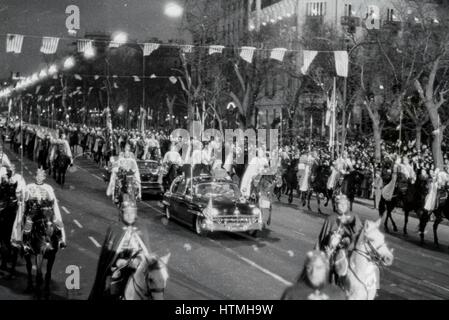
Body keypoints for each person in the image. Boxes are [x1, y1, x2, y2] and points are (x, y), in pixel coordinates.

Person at [315, 194, 363, 285]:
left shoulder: (354, 216)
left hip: (349, 250)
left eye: (344, 204)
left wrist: (350, 240)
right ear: (336, 206)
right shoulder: (331, 218)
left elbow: (359, 233)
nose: (342, 206)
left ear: (348, 204)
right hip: (332, 251)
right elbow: (323, 236)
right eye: (340, 204)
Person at [20, 168, 67, 252]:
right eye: (38, 176)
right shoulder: (29, 186)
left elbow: (52, 200)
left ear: (44, 178)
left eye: (41, 176)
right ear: (35, 176)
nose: (39, 178)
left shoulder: (48, 187)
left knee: (57, 222)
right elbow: (25, 199)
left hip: (45, 210)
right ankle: (25, 244)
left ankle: (60, 241)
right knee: (28, 224)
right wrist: (26, 196)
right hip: (34, 210)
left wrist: (46, 200)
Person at [281, 250, 346, 300]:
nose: (314, 273)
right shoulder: (292, 293)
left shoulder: (337, 294)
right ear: (305, 270)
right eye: (309, 268)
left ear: (326, 269)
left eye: (318, 268)